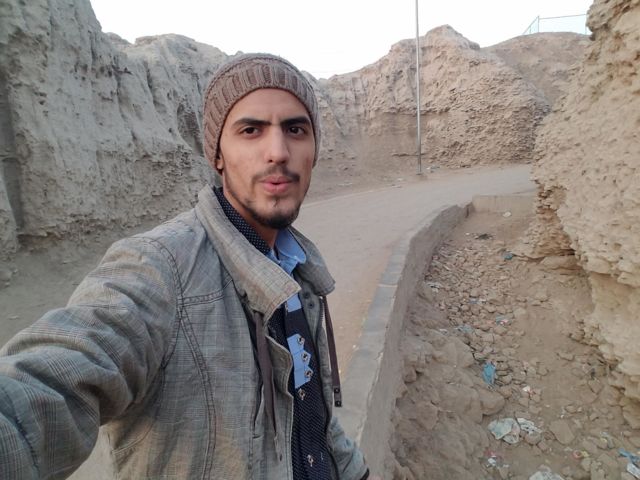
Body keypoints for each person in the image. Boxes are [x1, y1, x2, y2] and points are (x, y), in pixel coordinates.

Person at [0, 54, 377, 479]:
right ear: (217, 155)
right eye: (251, 130)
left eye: (295, 129)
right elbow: (49, 383)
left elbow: (313, 417)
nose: (278, 152)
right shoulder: (158, 269)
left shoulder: (297, 268)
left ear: (314, 150)